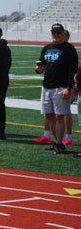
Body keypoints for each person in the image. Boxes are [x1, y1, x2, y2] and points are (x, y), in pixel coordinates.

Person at [35, 23, 78, 153]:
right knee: (49, 116)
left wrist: (68, 88)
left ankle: (60, 143)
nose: (56, 35)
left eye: (59, 32)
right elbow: (41, 65)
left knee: (60, 116)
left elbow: (73, 70)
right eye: (54, 32)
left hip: (61, 87)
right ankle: (56, 141)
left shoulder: (69, 49)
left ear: (63, 34)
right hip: (46, 86)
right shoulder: (46, 48)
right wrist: (38, 69)